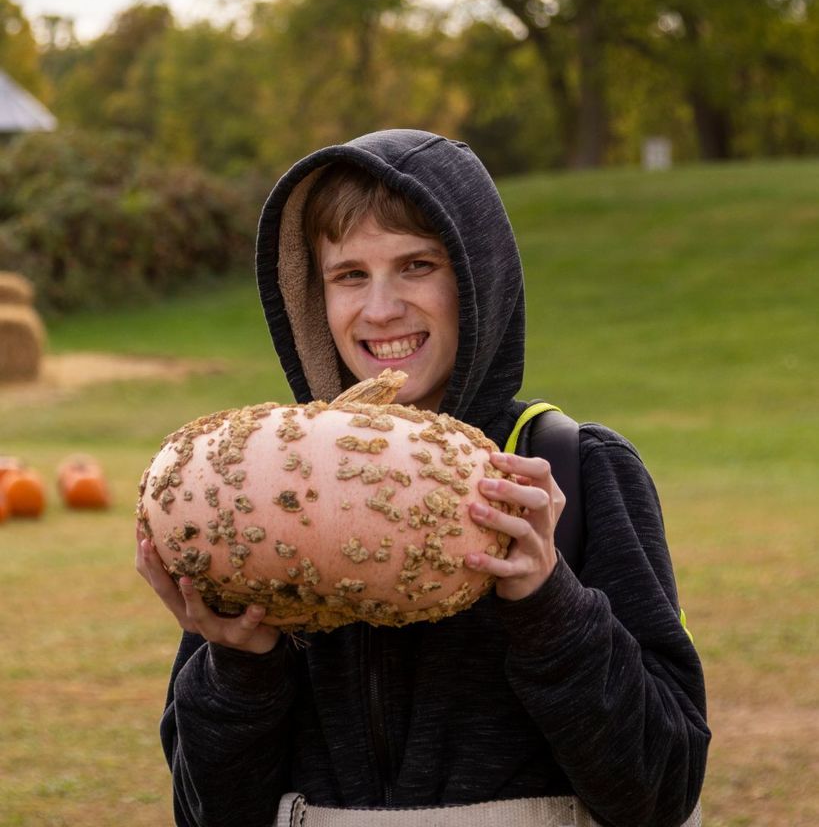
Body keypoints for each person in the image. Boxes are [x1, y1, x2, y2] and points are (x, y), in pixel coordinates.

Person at [136, 129, 709, 827]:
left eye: (415, 265)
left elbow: (660, 791)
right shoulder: (261, 492)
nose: (379, 309)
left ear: (476, 279)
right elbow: (207, 814)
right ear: (311, 296)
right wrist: (241, 663)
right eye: (348, 275)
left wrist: (547, 606)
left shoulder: (574, 469)